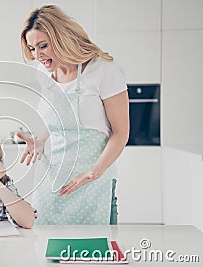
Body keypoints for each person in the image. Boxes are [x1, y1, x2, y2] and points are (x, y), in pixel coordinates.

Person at [18, 5, 129, 224]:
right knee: (48, 253)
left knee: (94, 253)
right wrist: (41, 140)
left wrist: (94, 172)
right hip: (53, 181)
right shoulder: (45, 73)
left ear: (61, 39)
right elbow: (59, 120)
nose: (37, 55)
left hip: (94, 182)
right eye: (32, 48)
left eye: (43, 46)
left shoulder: (103, 70)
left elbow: (121, 132)